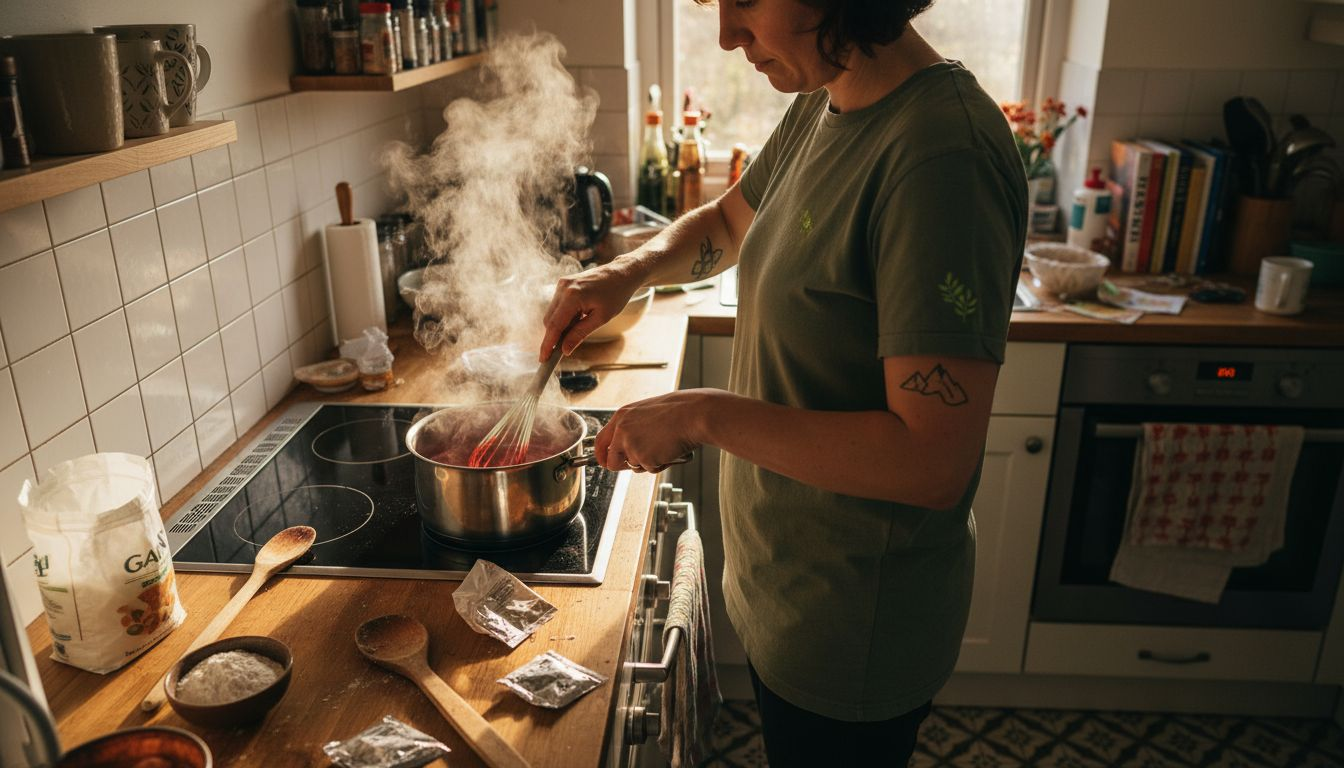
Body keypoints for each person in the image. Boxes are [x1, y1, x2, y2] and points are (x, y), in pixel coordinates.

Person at [540, 0, 1026, 764]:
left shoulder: (941, 158)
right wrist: (625, 273)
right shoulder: (827, 92)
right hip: (789, 589)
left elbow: (930, 463)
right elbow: (732, 223)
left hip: (852, 623)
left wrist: (701, 415)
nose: (729, 34)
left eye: (746, 1)